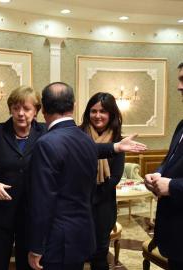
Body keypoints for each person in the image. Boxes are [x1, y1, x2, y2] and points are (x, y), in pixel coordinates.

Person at [27, 82, 98, 270]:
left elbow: (42, 201)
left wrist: (36, 247)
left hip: (56, 242)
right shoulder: (88, 140)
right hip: (82, 234)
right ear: (74, 106)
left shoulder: (46, 144)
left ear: (42, 110)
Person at [0, 86, 46, 270]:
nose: (21, 113)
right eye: (16, 108)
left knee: (27, 266)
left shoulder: (45, 133)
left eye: (26, 108)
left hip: (30, 214)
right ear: (10, 109)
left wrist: (113, 147)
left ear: (36, 111)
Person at [144, 62, 183, 270]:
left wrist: (173, 186)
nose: (179, 86)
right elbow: (170, 160)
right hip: (174, 237)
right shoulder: (181, 125)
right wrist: (158, 173)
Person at [80, 92, 125, 270]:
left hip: (103, 206)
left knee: (100, 255)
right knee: (77, 252)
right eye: (93, 111)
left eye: (103, 111)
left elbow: (115, 176)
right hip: (78, 204)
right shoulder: (77, 134)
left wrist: (94, 196)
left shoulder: (118, 140)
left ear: (111, 114)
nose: (97, 116)